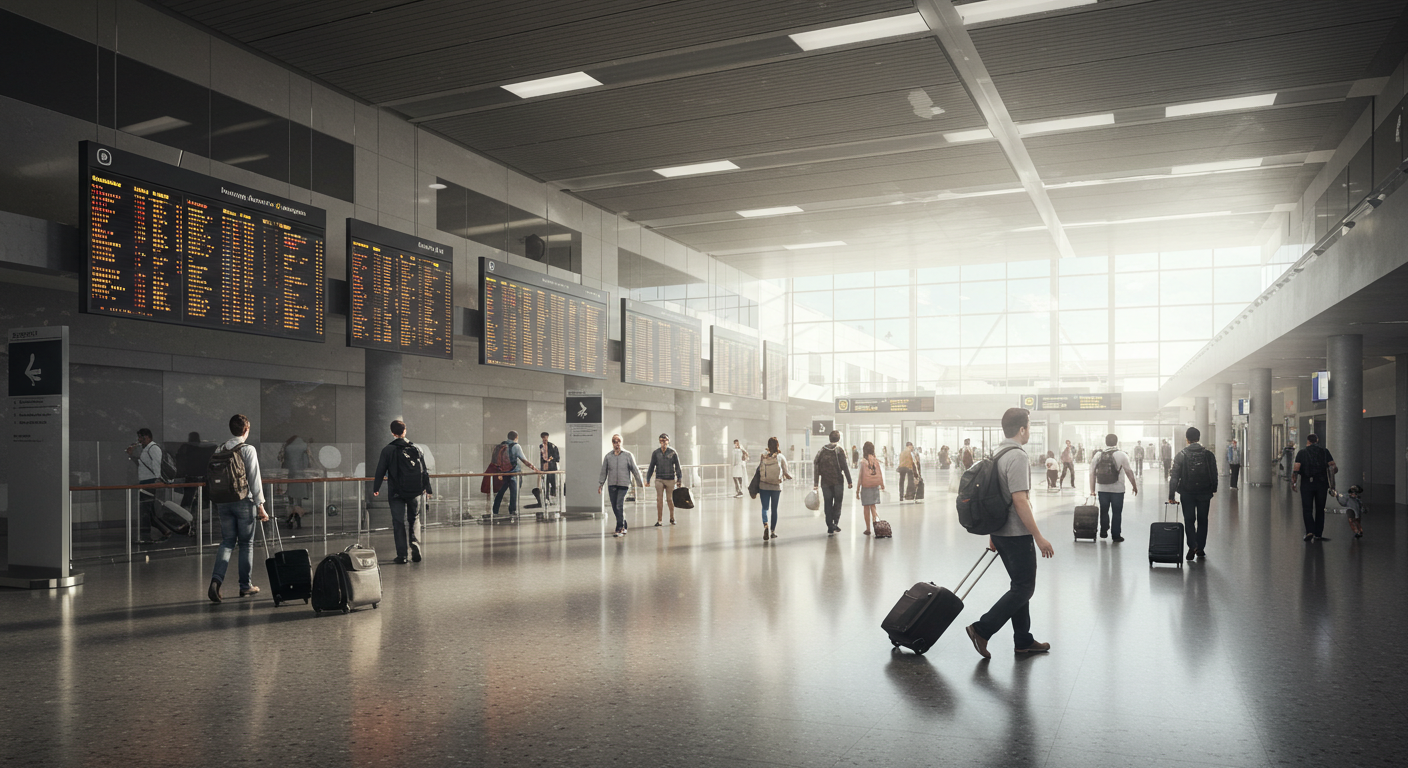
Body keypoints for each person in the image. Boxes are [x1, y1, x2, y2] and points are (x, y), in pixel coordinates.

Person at [964, 408, 1053, 658]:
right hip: (1016, 533)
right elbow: (1019, 500)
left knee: (1019, 586)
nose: (1029, 431)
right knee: (1024, 588)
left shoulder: (997, 453)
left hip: (1001, 532)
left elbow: (994, 496)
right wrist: (1038, 537)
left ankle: (1023, 640)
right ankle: (982, 629)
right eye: (1029, 426)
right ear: (1022, 429)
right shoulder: (1017, 456)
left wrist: (993, 532)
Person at [207, 414, 269, 603]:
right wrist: (260, 505)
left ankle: (216, 581)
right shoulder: (247, 449)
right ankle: (245, 586)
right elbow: (254, 478)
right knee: (246, 544)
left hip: (222, 501)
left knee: (227, 542)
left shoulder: (220, 448)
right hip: (243, 501)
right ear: (246, 429)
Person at [372, 419, 431, 564]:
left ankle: (402, 555)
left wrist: (376, 488)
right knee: (414, 519)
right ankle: (415, 546)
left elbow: (380, 470)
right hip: (415, 491)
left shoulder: (387, 450)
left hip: (396, 492)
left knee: (398, 522)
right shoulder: (417, 448)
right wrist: (428, 488)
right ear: (405, 431)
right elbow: (424, 470)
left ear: (392, 433)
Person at [1169, 427, 1218, 560]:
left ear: (1187, 439)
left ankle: (1192, 545)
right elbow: (1214, 473)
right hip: (1204, 492)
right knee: (1203, 520)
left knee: (1189, 520)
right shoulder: (1209, 455)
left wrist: (1171, 495)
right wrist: (1213, 488)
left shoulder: (1181, 455)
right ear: (1199, 438)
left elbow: (1174, 476)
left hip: (1187, 492)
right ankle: (1200, 548)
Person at [127, 427, 177, 543]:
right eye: (139, 437)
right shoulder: (146, 449)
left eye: (141, 437)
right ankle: (164, 531)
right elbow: (142, 465)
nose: (139, 440)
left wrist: (158, 479)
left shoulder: (153, 448)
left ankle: (147, 536)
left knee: (146, 510)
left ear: (148, 437)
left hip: (150, 482)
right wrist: (131, 455)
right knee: (148, 511)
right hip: (146, 482)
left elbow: (156, 464)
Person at [1088, 434, 1138, 542]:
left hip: (1102, 488)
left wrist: (1092, 490)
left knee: (1104, 510)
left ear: (1105, 442)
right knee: (1117, 512)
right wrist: (1134, 486)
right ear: (1116, 442)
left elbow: (1092, 472)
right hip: (1118, 489)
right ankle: (1116, 535)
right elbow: (1129, 472)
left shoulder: (1098, 455)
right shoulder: (1122, 455)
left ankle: (1103, 531)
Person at [1292, 434, 1337, 542]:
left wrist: (1294, 483)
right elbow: (1333, 466)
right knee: (1320, 509)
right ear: (1317, 441)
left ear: (1308, 441)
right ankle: (1318, 534)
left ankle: (1310, 531)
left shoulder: (1302, 453)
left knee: (1307, 509)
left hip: (1307, 483)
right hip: (1321, 484)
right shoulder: (1325, 452)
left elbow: (1296, 468)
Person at [598, 434, 644, 538]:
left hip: (624, 484)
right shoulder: (608, 456)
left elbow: (635, 469)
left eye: (618, 441)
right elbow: (604, 471)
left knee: (619, 505)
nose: (616, 443)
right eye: (614, 441)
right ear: (612, 443)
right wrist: (601, 484)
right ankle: (623, 523)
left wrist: (640, 483)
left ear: (621, 442)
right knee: (614, 507)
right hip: (612, 485)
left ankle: (619, 528)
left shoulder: (628, 455)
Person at [813, 430, 853, 535]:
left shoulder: (822, 450)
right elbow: (844, 466)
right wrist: (849, 481)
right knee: (838, 502)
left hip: (825, 482)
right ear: (839, 439)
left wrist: (816, 483)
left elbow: (816, 464)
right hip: (837, 481)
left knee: (828, 503)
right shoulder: (839, 450)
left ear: (829, 438)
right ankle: (835, 523)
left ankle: (830, 525)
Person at [492, 430, 536, 517]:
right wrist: (534, 468)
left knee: (500, 492)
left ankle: (495, 510)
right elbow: (524, 460)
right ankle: (512, 511)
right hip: (514, 473)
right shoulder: (516, 446)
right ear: (516, 437)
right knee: (514, 493)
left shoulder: (501, 445)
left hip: (504, 473)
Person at [757, 437, 792, 541]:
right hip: (776, 487)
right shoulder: (780, 457)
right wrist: (790, 477)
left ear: (768, 445)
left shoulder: (763, 456)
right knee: (774, 509)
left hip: (763, 486)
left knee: (765, 508)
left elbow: (760, 469)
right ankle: (772, 532)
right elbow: (786, 473)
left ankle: (766, 525)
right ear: (777, 445)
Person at [646, 433, 683, 526]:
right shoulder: (656, 453)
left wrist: (679, 479)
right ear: (659, 441)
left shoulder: (673, 452)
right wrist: (648, 479)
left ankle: (672, 517)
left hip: (670, 479)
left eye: (665, 440)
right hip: (659, 478)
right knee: (659, 499)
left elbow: (678, 466)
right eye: (662, 440)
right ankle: (659, 520)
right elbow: (651, 466)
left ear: (668, 441)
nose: (663, 442)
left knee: (670, 499)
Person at [280, 434, 312, 529]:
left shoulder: (287, 445)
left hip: (290, 476)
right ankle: (297, 520)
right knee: (299, 499)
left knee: (291, 499)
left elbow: (282, 461)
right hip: (300, 476)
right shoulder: (304, 446)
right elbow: (307, 462)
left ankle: (291, 517)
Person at [857, 441, 885, 535]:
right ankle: (876, 527)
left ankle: (868, 529)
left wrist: (857, 490)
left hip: (866, 486)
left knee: (866, 507)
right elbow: (880, 473)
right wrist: (882, 484)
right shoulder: (875, 461)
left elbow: (860, 477)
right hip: (875, 485)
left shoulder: (863, 462)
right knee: (873, 506)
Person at [529, 432, 560, 508]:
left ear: (548, 437)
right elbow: (540, 457)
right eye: (543, 437)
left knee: (553, 484)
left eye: (545, 437)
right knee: (545, 484)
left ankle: (553, 499)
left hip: (551, 469)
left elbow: (557, 457)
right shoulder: (541, 446)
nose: (545, 439)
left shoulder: (552, 446)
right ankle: (546, 499)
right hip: (544, 469)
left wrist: (550, 459)